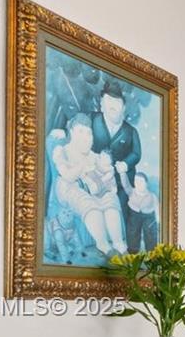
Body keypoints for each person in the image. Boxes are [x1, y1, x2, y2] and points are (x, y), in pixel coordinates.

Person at [50, 114, 125, 256]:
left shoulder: (95, 156)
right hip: (70, 187)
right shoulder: (62, 151)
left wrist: (108, 174)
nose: (86, 137)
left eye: (88, 133)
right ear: (72, 132)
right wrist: (81, 165)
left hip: (95, 187)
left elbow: (105, 173)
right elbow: (67, 176)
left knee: (110, 198)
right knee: (87, 202)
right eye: (81, 132)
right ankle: (103, 244)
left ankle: (118, 243)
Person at [89, 79, 141, 213]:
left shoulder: (131, 131)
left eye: (117, 102)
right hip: (95, 177)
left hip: (120, 183)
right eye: (109, 100)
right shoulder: (92, 119)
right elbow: (78, 125)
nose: (112, 105)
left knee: (120, 212)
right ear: (102, 103)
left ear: (123, 107)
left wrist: (125, 164)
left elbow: (136, 153)